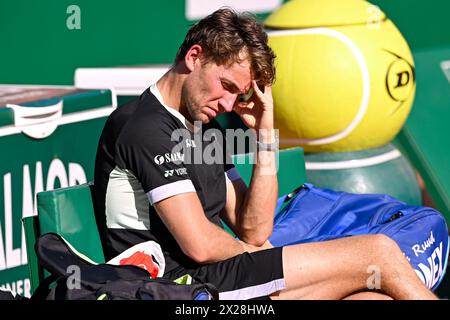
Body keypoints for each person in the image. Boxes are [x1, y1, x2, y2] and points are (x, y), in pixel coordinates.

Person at [93, 8, 437, 300]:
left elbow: (253, 228)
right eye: (226, 87)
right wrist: (265, 256)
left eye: (238, 94)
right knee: (377, 252)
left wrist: (265, 137)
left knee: (370, 296)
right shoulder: (143, 127)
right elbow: (200, 244)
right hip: (179, 290)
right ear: (194, 57)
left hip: (220, 281)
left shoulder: (204, 125)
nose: (229, 105)